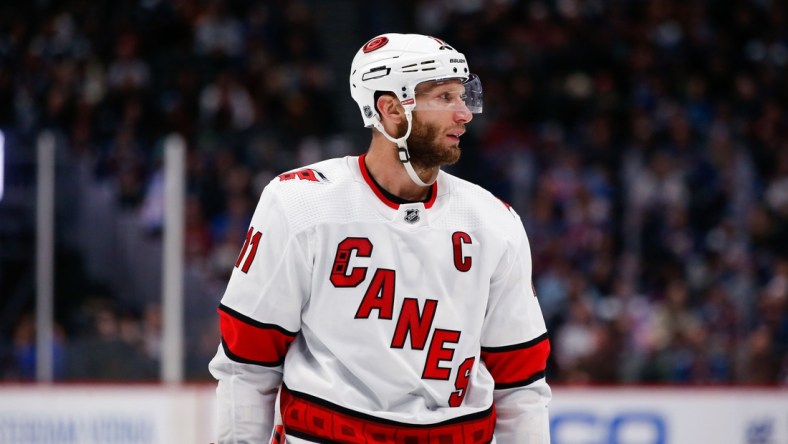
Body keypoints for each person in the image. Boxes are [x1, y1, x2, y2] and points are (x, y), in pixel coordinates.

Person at [209, 33, 552, 443]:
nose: (465, 114)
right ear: (391, 109)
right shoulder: (299, 204)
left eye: (463, 97)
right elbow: (247, 364)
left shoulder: (494, 223)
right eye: (444, 98)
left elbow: (521, 383)